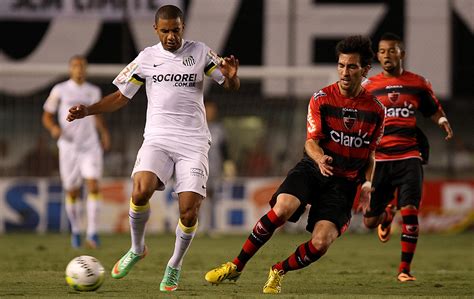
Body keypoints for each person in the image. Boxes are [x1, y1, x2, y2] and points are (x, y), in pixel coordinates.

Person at [66, 5, 240, 292]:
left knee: (188, 211)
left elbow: (229, 85)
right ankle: (137, 248)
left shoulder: (200, 52)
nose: (171, 36)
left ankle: (174, 265)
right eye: (165, 31)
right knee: (140, 189)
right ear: (156, 30)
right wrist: (88, 110)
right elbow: (121, 96)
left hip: (193, 142)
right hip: (158, 138)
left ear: (183, 28)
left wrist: (232, 77)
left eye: (176, 30)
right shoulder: (146, 58)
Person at [205, 35, 385, 294]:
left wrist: (368, 182)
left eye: (352, 66)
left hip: (345, 183)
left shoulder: (376, 110)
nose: (345, 72)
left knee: (322, 242)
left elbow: (370, 154)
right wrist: (320, 157)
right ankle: (236, 265)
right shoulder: (321, 99)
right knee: (282, 209)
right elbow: (311, 142)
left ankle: (278, 270)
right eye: (341, 65)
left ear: (365, 69)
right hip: (313, 168)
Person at [362, 32, 454, 282]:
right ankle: (386, 214)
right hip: (380, 160)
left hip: (409, 156)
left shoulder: (417, 83)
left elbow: (432, 109)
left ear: (402, 53)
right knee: (369, 222)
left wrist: (443, 120)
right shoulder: (369, 87)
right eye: (381, 51)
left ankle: (404, 270)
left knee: (411, 211)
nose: (386, 55)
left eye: (392, 50)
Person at [42, 55, 111, 249]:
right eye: (75, 66)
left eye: (82, 66)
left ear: (86, 69)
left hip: (90, 145)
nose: (79, 69)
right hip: (68, 146)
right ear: (70, 69)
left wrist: (104, 133)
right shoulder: (60, 90)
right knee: (72, 191)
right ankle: (75, 230)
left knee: (93, 185)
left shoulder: (93, 91)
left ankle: (93, 233)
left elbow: (96, 116)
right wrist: (53, 128)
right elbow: (47, 116)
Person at [200, 101, 236, 234]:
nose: (210, 113)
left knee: (212, 196)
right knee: (199, 196)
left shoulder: (219, 129)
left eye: (212, 110)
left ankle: (211, 226)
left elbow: (224, 149)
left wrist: (228, 164)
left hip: (215, 168)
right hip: (198, 166)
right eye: (208, 110)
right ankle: (199, 226)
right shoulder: (196, 126)